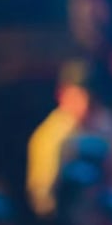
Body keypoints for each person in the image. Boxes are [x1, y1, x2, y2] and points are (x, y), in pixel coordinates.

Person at [26, 62, 92, 216]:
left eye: (86, 95)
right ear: (61, 94)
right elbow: (41, 196)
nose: (84, 102)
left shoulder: (94, 125)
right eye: (76, 94)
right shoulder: (49, 136)